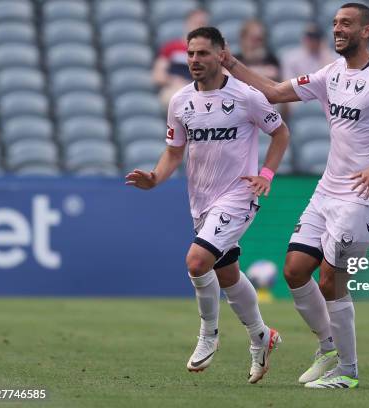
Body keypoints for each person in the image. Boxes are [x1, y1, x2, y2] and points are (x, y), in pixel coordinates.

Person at [222, 3, 369, 389]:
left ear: (367, 31)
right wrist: (230, 62)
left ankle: (348, 370)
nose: (338, 29)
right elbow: (276, 91)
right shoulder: (331, 73)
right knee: (294, 270)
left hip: (361, 197)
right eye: (335, 24)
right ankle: (328, 347)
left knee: (331, 280)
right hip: (327, 190)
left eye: (346, 23)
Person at [127, 26, 290, 384]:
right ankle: (262, 337)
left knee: (197, 260)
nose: (195, 60)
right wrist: (155, 178)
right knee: (226, 272)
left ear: (221, 54)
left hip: (239, 194)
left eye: (203, 53)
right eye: (191, 54)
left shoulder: (247, 97)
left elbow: (280, 133)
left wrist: (266, 174)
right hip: (201, 200)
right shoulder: (180, 101)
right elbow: (174, 152)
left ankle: (208, 334)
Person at [152, 9, 209, 108]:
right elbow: (158, 75)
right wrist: (172, 80)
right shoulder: (172, 48)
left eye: (203, 24)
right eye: (196, 23)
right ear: (187, 23)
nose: (199, 28)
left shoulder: (210, 52)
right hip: (174, 89)